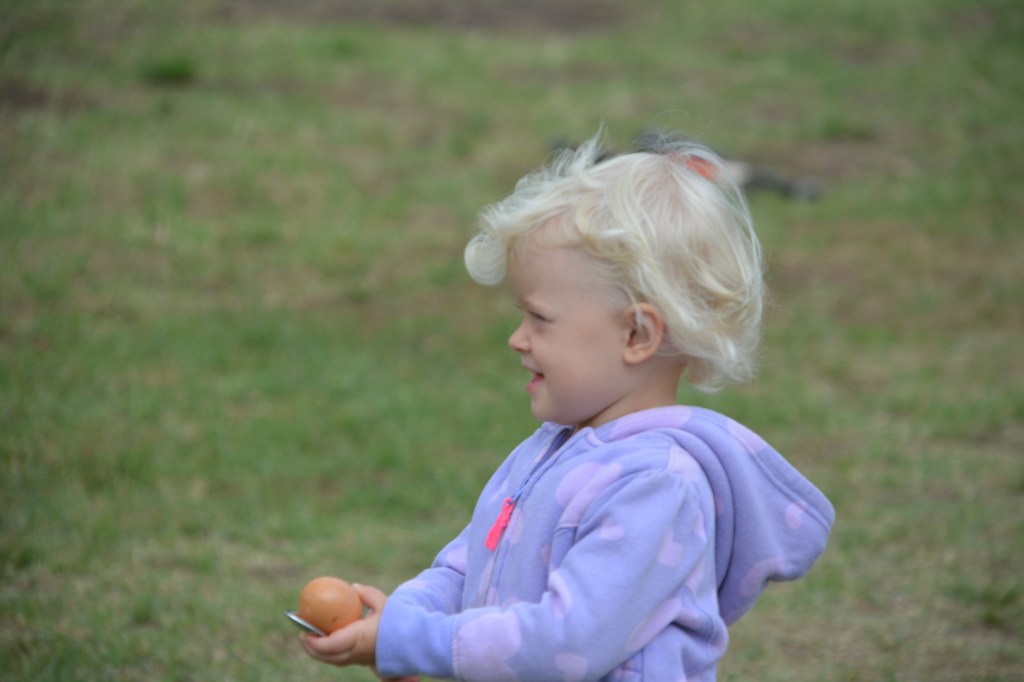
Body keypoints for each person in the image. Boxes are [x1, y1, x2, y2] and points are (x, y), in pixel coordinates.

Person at [301, 131, 835, 681]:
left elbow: (563, 644)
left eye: (540, 319)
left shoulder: (656, 486)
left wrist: (419, 641)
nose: (517, 338)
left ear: (636, 334)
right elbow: (469, 566)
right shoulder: (552, 449)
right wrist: (408, 618)